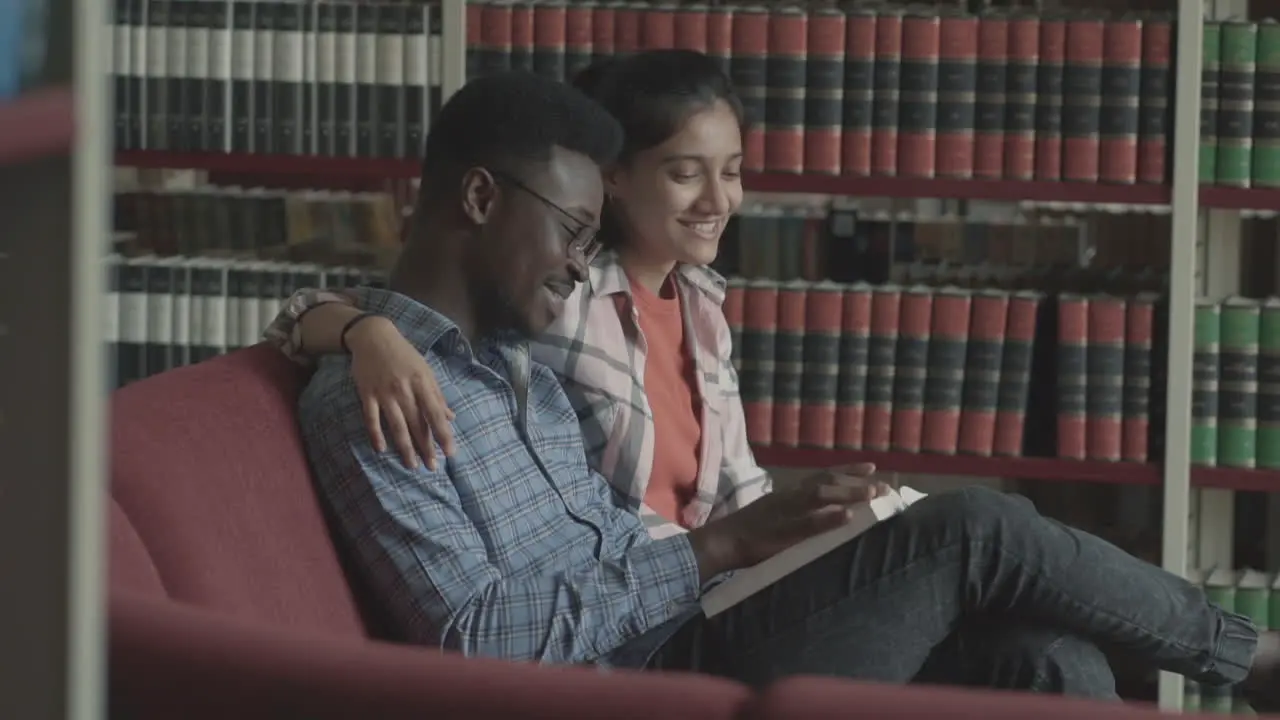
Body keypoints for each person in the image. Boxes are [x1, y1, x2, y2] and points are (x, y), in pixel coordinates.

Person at [292, 66, 1280, 704]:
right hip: (645, 679)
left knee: (1047, 662)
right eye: (573, 231)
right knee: (976, 526)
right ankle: (1248, 662)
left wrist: (792, 540)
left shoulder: (510, 371)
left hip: (695, 621)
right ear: (477, 198)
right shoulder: (382, 399)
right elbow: (472, 644)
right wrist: (720, 547)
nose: (574, 263)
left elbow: (614, 532)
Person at [271, 50, 767, 541]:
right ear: (613, 176)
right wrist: (368, 332)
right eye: (686, 174)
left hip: (701, 579)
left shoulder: (704, 308)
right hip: (632, 584)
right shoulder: (559, 291)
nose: (718, 200)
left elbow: (739, 488)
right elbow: (313, 314)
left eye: (731, 172)